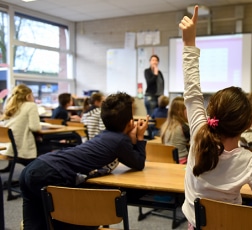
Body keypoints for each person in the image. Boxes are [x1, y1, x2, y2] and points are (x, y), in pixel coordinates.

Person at [179, 6, 252, 229]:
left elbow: (192, 90)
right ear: (247, 124)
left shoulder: (197, 135)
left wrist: (189, 43)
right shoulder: (250, 161)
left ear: (211, 112)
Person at [19, 92, 149, 230]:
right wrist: (140, 137)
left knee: (35, 225)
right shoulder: (120, 141)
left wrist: (131, 138)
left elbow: (131, 157)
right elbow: (139, 163)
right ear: (130, 123)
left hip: (35, 167)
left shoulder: (104, 136)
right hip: (51, 174)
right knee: (83, 221)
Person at [0, 84, 42, 171]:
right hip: (21, 147)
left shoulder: (10, 105)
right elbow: (34, 127)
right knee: (47, 147)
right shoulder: (31, 105)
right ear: (28, 96)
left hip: (9, 146)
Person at [160, 96, 190, 164]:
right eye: (187, 109)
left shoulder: (165, 126)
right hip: (183, 162)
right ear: (180, 112)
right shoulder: (184, 127)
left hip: (168, 161)